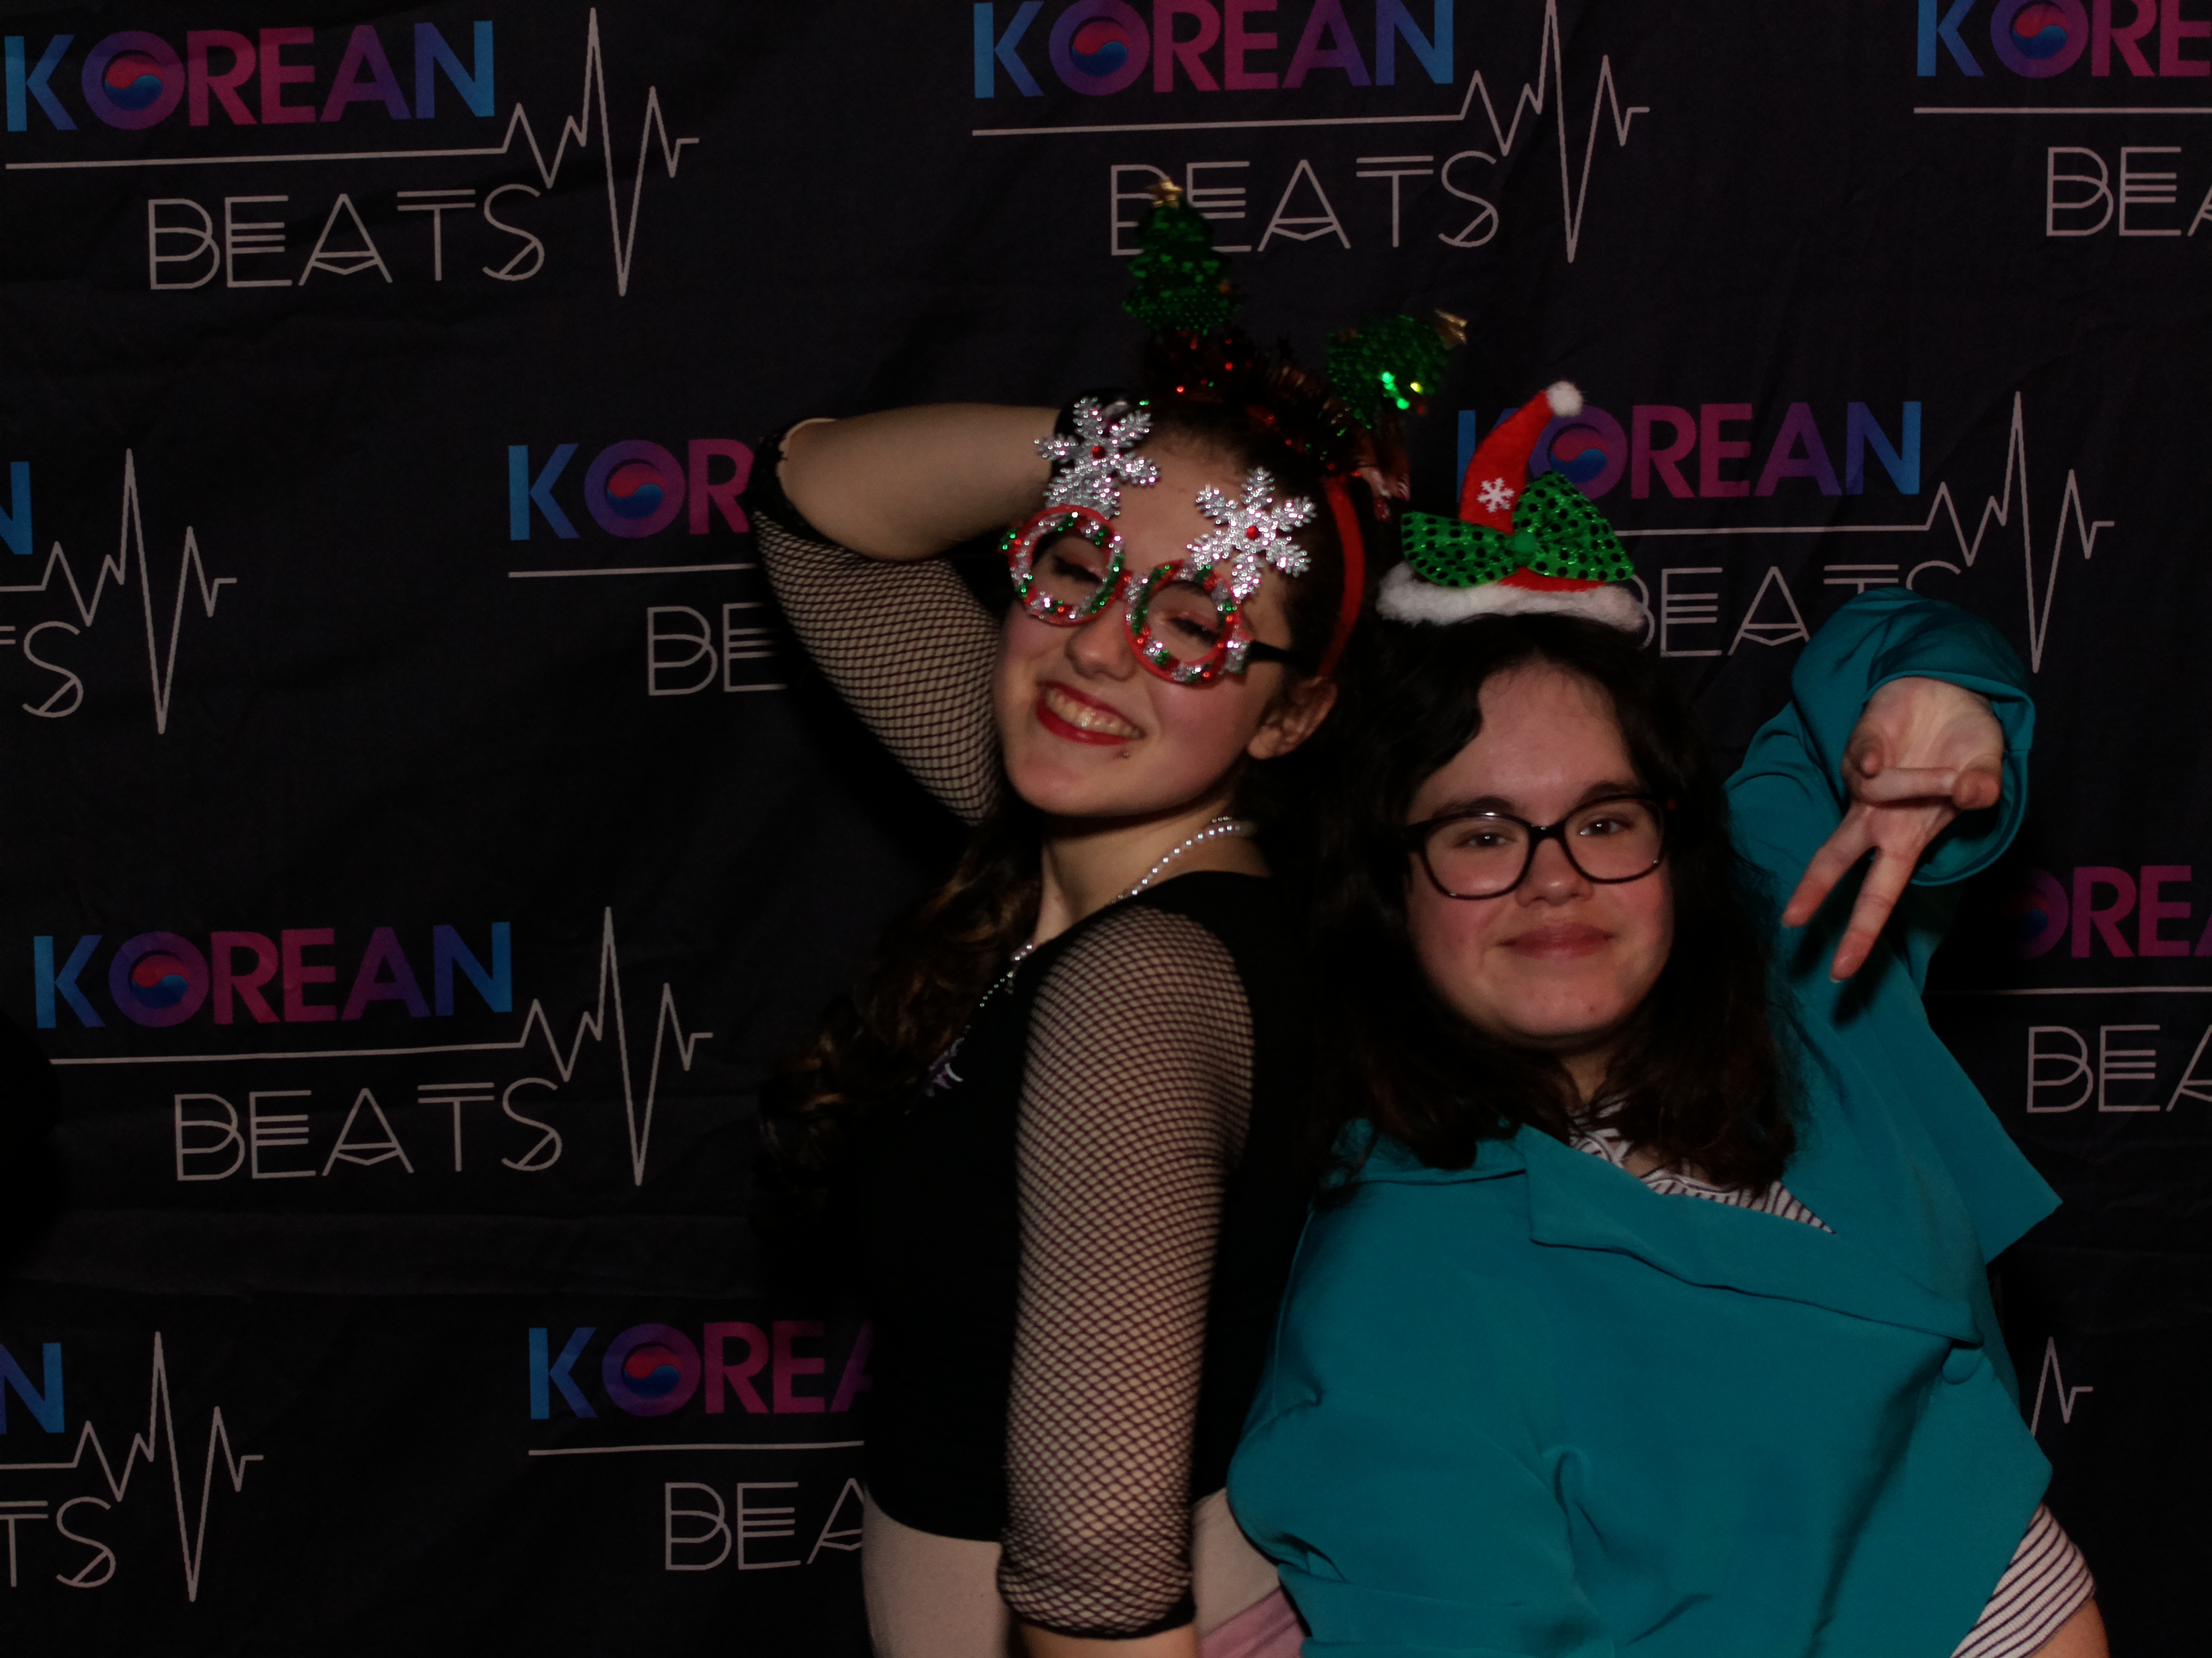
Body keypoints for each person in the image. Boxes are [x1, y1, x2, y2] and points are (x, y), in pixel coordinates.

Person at [1225, 390, 2106, 1657]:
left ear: (1674, 838)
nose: (1555, 877)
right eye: (1481, 832)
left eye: (1604, 817)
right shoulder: (1398, 1295)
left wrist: (1942, 696)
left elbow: (1884, 667)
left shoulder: (1789, 945)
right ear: (1389, 883)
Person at [754, 376, 1372, 1658]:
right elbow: (811, 510)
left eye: (1195, 625)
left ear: (1292, 713)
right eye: (1079, 566)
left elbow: (1096, 1558)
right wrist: (1119, 452)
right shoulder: (1074, 838)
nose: (1098, 646)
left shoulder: (1140, 978)